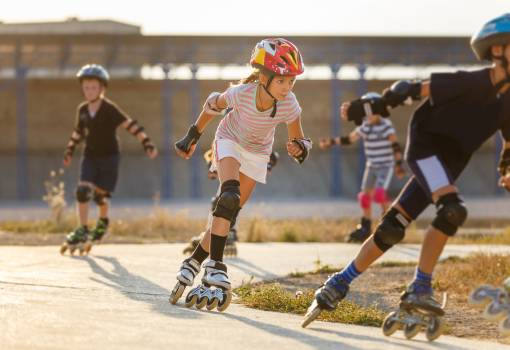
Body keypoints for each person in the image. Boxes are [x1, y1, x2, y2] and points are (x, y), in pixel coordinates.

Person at [303, 14, 510, 341]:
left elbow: (509, 143)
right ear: (497, 49)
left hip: (449, 164)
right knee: (452, 210)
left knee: (392, 226)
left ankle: (338, 282)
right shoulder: (474, 81)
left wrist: (505, 168)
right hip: (427, 148)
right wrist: (371, 107)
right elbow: (410, 89)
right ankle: (420, 287)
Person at [169, 38, 311, 312]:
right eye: (282, 81)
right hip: (229, 140)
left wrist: (299, 149)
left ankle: (194, 262)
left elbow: (299, 140)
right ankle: (216, 267)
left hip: (258, 153)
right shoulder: (242, 93)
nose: (287, 88)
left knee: (227, 214)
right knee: (228, 196)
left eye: (291, 81)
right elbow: (212, 104)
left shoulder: (290, 105)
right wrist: (192, 135)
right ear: (263, 76)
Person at [60, 64, 158, 255]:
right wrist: (70, 149)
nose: (89, 91)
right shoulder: (82, 110)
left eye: (93, 87)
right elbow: (78, 132)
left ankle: (103, 222)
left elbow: (130, 125)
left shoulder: (109, 109)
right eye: (86, 87)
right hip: (90, 155)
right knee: (82, 191)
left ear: (102, 88)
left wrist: (146, 142)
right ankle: (82, 229)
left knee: (100, 196)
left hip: (109, 157)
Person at [319, 92, 405, 243]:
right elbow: (350, 139)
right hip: (371, 165)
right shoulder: (365, 126)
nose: (369, 117)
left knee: (379, 195)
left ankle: (388, 225)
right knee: (364, 197)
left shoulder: (386, 125)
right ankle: (365, 227)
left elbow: (395, 146)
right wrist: (331, 142)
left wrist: (398, 165)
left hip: (385, 166)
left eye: (371, 113)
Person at [182, 142, 279, 256]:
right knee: (223, 200)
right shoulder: (226, 134)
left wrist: (268, 163)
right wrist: (212, 165)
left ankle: (227, 232)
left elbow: (266, 148)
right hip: (234, 161)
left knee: (229, 201)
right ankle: (212, 233)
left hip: (247, 163)